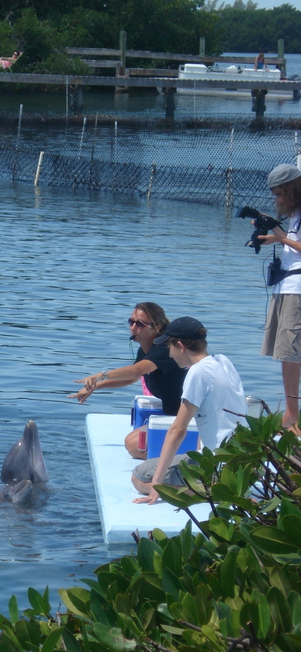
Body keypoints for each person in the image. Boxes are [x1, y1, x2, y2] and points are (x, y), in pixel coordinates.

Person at [131, 316, 247, 505]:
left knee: (139, 476)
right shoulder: (223, 361)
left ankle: (216, 492)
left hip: (218, 465)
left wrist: (157, 485)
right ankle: (221, 487)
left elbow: (178, 430)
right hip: (241, 462)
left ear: (180, 346)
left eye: (169, 347)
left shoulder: (197, 372)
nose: (169, 354)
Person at [69, 302, 187, 459]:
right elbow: (132, 377)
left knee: (133, 445)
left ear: (157, 328)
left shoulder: (164, 351)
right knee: (132, 441)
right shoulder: (145, 350)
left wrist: (101, 375)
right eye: (131, 322)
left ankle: (186, 455)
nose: (133, 327)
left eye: (140, 324)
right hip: (173, 414)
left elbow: (136, 370)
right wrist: (94, 387)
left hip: (187, 418)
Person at [258, 163, 301, 433]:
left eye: (278, 194)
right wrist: (274, 232)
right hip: (287, 286)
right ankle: (291, 412)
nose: (277, 199)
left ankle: (292, 415)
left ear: (291, 188)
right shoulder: (296, 213)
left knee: (292, 351)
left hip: (297, 288)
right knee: (287, 353)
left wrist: (278, 240)